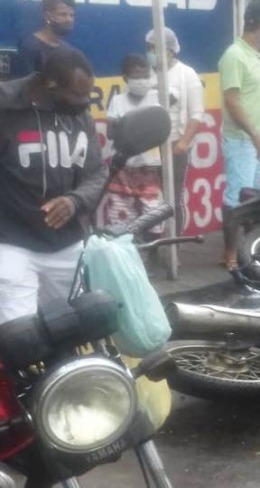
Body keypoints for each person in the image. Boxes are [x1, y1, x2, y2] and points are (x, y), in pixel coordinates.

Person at [0, 48, 107, 324]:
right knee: (20, 336)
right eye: (76, 95)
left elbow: (96, 174)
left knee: (74, 325)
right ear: (50, 85)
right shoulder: (5, 106)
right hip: (12, 242)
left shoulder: (80, 116)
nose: (84, 103)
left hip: (66, 242)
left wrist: (75, 201)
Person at [218, 2, 260, 270]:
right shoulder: (234, 55)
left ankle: (251, 249)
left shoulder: (255, 54)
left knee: (256, 198)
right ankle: (229, 254)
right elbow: (232, 102)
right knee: (235, 201)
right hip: (243, 141)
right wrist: (254, 136)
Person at [145, 26, 204, 235]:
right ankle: (152, 246)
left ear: (169, 50)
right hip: (149, 148)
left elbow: (197, 114)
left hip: (174, 146)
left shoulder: (186, 74)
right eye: (148, 47)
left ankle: (174, 247)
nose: (150, 52)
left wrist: (183, 143)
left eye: (154, 48)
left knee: (172, 198)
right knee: (149, 199)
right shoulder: (145, 74)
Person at [98, 54, 163, 241]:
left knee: (154, 217)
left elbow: (159, 129)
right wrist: (140, 129)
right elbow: (111, 131)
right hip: (123, 169)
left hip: (149, 168)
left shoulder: (155, 99)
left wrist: (128, 127)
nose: (142, 80)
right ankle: (128, 257)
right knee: (121, 219)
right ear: (126, 78)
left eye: (145, 75)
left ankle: (152, 258)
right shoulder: (118, 101)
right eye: (137, 75)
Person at [16, 0, 75, 75]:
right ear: (47, 16)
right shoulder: (30, 46)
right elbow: (23, 84)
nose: (69, 19)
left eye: (72, 15)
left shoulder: (67, 49)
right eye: (63, 14)